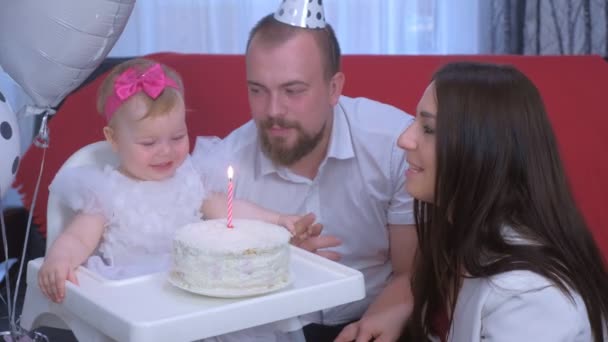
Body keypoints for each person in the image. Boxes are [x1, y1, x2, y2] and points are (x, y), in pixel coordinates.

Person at [344, 61, 608, 341]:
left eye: (429, 128)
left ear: (482, 150)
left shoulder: (529, 297)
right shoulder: (460, 243)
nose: (404, 140)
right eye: (414, 123)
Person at [193, 13, 417, 342]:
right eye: (257, 90)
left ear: (334, 88)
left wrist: (387, 315)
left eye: (293, 90)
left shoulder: (394, 146)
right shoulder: (224, 166)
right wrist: (274, 266)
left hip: (371, 312)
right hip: (270, 327)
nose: (272, 111)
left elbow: (410, 270)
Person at [38, 58, 314, 306]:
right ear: (113, 139)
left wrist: (278, 219)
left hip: (194, 287)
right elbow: (77, 238)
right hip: (138, 295)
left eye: (178, 137)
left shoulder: (191, 178)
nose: (166, 151)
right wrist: (59, 259)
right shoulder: (107, 192)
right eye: (148, 142)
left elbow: (231, 208)